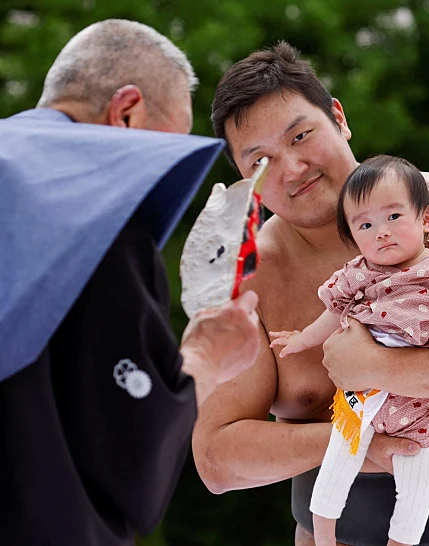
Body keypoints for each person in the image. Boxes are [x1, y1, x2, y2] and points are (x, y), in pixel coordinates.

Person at [194, 42, 429, 545]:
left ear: (338, 117)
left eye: (301, 135)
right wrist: (357, 442)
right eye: (261, 161)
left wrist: (380, 367)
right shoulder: (246, 282)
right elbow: (216, 459)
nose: (291, 168)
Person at [0, 20, 261, 545]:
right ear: (126, 113)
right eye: (164, 147)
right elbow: (131, 456)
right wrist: (207, 357)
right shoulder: (97, 217)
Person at [270, 155, 429, 546]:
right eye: (365, 225)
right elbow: (331, 312)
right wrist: (301, 338)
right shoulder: (358, 273)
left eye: (393, 217)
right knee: (337, 463)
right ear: (354, 237)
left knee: (419, 487)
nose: (381, 233)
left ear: (425, 219)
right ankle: (322, 537)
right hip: (361, 394)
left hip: (419, 399)